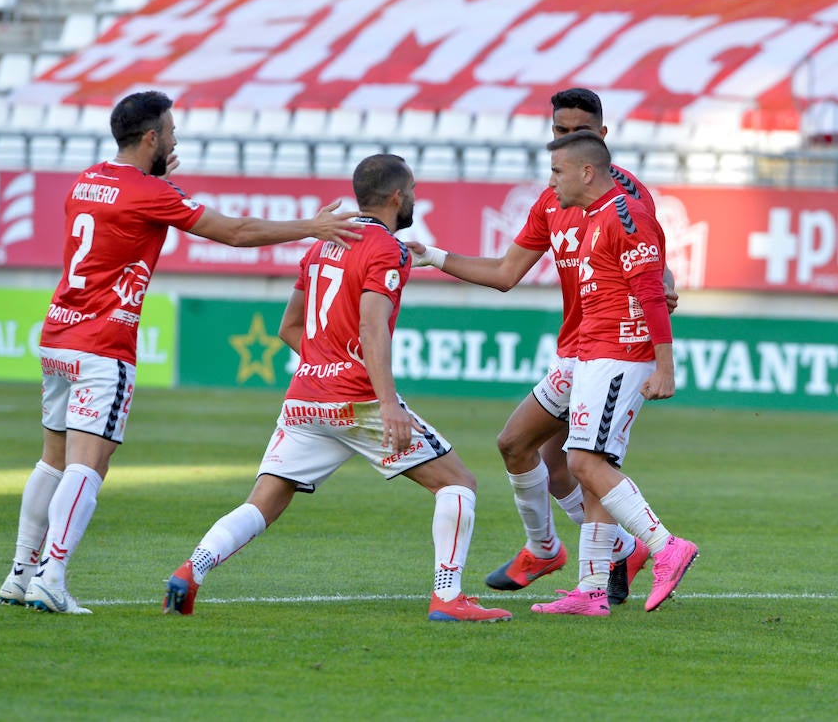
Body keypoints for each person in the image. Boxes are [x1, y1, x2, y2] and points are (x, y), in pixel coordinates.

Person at [0, 90, 362, 615]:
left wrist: (160, 183)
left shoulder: (86, 181)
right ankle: (52, 576)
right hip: (104, 342)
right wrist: (312, 226)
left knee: (52, 458)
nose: (175, 138)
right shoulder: (149, 193)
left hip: (59, 334)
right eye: (170, 132)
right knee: (88, 463)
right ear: (151, 138)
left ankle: (19, 574)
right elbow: (234, 231)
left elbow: (123, 222)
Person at [162, 154, 511, 622]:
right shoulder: (388, 248)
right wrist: (387, 403)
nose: (414, 198)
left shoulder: (324, 244)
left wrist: (322, 369)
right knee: (458, 483)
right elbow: (372, 327)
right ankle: (447, 597)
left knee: (262, 502)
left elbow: (289, 327)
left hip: (306, 398)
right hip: (357, 399)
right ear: (395, 196)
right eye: (412, 191)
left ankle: (191, 570)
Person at [412, 87, 675, 607]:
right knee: (521, 445)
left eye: (577, 132)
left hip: (611, 350)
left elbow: (651, 265)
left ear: (601, 137)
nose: (564, 139)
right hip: (573, 350)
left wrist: (663, 292)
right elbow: (507, 272)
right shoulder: (553, 199)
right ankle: (572, 549)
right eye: (558, 131)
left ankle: (610, 563)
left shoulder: (629, 198)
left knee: (584, 460)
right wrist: (434, 255)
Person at [528, 131, 697, 617]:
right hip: (595, 351)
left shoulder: (626, 214)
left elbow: (652, 292)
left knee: (582, 463)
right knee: (595, 467)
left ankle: (666, 546)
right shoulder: (594, 217)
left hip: (620, 350)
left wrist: (665, 366)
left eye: (557, 171)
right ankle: (593, 589)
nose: (551, 181)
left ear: (586, 172)